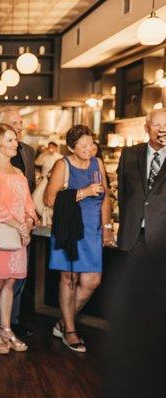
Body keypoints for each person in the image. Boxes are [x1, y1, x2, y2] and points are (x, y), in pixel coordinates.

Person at [44, 125, 112, 352]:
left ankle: (63, 322)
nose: (89, 149)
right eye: (82, 145)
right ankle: (70, 332)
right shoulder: (62, 165)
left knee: (92, 281)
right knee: (70, 279)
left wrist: (107, 226)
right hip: (69, 230)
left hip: (92, 230)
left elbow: (105, 198)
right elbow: (50, 199)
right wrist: (83, 192)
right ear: (71, 147)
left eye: (91, 143)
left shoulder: (98, 163)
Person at [0, 123, 38, 354]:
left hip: (20, 231)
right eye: (10, 140)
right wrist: (20, 227)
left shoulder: (19, 172)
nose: (16, 144)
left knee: (11, 281)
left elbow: (29, 202)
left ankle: (6, 328)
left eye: (15, 140)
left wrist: (29, 222)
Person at [0, 106, 36, 338]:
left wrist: (29, 221)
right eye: (14, 124)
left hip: (22, 226)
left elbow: (30, 190)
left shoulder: (27, 151)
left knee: (16, 278)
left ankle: (11, 322)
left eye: (20, 124)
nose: (19, 129)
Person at [116, 108, 166, 254]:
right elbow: (122, 195)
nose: (162, 129)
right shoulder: (128, 154)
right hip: (132, 237)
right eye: (157, 125)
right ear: (147, 128)